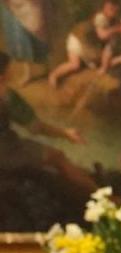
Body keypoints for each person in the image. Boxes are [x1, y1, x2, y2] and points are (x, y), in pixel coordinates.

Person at [0, 50, 98, 198]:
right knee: (58, 157)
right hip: (5, 150)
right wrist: (65, 134)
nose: (13, 73)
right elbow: (35, 127)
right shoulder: (6, 95)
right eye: (10, 70)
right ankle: (105, 199)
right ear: (2, 76)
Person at [48, 0, 121, 89]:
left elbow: (109, 44)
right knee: (75, 65)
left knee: (93, 63)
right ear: (105, 6)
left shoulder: (114, 22)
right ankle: (54, 75)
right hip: (78, 39)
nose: (113, 11)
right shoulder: (100, 17)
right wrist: (117, 29)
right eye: (111, 8)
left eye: (115, 9)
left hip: (88, 44)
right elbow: (102, 35)